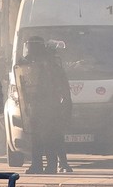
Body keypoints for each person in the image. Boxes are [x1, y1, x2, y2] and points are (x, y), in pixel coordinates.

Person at [15, 36, 71, 174]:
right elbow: (22, 80)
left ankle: (50, 165)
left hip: (49, 105)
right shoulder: (28, 63)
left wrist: (65, 102)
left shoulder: (50, 63)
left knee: (49, 136)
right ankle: (37, 165)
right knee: (36, 137)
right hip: (35, 105)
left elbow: (62, 85)